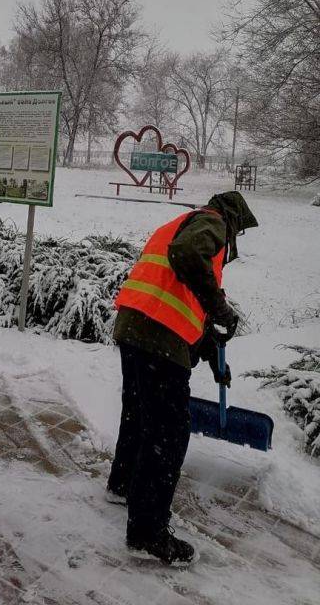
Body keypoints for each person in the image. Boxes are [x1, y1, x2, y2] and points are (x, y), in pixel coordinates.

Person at [107, 191, 258, 566]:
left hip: (134, 323)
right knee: (169, 432)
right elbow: (187, 256)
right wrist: (219, 305)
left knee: (140, 413)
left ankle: (123, 484)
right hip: (159, 335)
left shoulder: (177, 224)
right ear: (233, 219)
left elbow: (179, 288)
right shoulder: (213, 223)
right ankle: (147, 531)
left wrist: (212, 352)